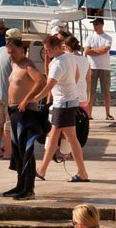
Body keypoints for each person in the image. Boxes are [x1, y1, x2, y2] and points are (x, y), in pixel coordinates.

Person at [29, 34, 90, 183]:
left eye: (48, 50)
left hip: (62, 104)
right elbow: (76, 76)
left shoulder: (57, 64)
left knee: (67, 138)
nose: (46, 53)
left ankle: (81, 173)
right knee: (55, 136)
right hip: (68, 101)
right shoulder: (70, 57)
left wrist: (37, 97)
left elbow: (49, 84)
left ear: (56, 48)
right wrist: (69, 87)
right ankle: (43, 169)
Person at [3, 38, 46, 201]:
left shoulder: (28, 65)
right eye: (9, 53)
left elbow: (41, 81)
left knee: (26, 151)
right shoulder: (14, 65)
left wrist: (26, 99)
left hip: (26, 112)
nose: (11, 55)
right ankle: (20, 185)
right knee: (17, 151)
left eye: (13, 52)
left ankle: (29, 189)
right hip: (14, 111)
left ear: (22, 51)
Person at [0, 28, 17, 158]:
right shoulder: (12, 53)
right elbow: (16, 75)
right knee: (8, 123)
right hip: (9, 94)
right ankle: (8, 152)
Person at [83, 18, 114, 120]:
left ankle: (108, 113)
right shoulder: (90, 37)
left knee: (106, 92)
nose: (94, 26)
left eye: (96, 24)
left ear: (101, 25)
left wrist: (93, 51)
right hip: (92, 67)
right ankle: (89, 114)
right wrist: (98, 51)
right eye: (94, 24)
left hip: (105, 67)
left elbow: (105, 50)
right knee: (91, 92)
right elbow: (86, 51)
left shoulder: (108, 37)